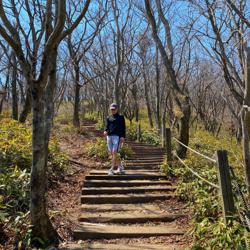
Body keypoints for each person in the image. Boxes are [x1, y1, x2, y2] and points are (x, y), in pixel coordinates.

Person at [104, 103, 126, 175]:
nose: (113, 110)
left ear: (117, 109)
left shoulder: (121, 117)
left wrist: (123, 136)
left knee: (114, 152)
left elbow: (123, 128)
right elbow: (107, 127)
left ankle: (111, 169)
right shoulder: (108, 117)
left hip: (117, 137)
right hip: (109, 137)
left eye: (114, 109)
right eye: (112, 109)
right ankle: (120, 167)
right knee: (113, 153)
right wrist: (105, 131)